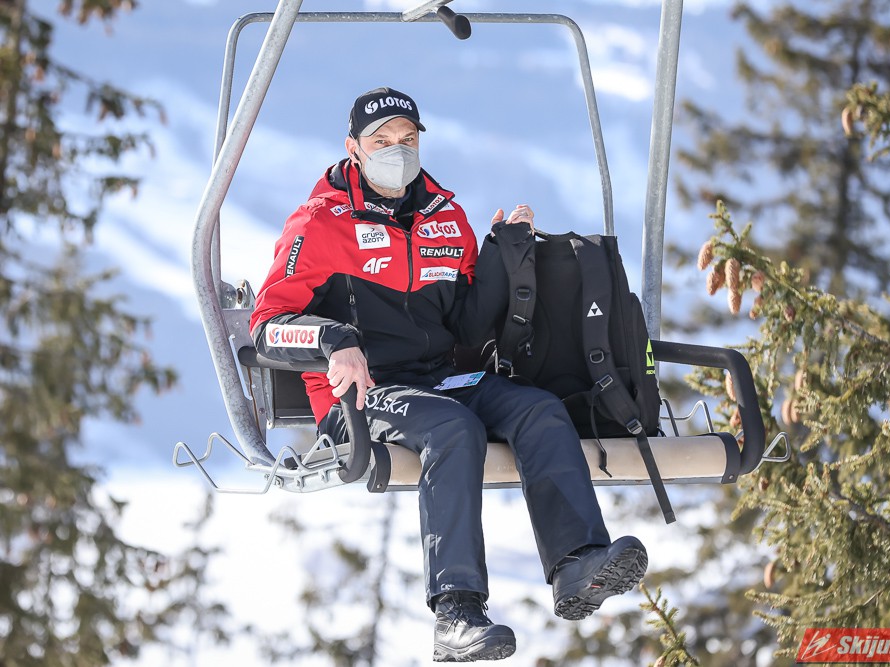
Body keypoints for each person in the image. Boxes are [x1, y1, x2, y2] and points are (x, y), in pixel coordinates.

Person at [249, 87, 647, 662]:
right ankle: (456, 613)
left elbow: (465, 326)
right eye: (381, 141)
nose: (397, 150)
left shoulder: (445, 217)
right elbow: (267, 326)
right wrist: (334, 340)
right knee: (453, 428)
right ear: (353, 148)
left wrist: (503, 254)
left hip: (438, 379)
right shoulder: (320, 223)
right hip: (361, 395)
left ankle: (577, 563)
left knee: (536, 407)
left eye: (407, 138)